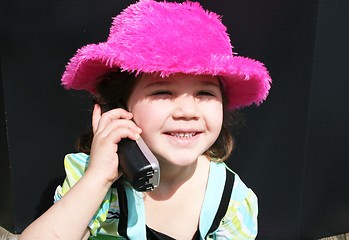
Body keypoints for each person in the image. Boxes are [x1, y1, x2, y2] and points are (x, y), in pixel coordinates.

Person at [20, 0, 271, 239]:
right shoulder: (92, 179)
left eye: (204, 93)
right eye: (163, 92)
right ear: (117, 106)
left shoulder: (231, 198)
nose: (187, 111)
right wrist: (99, 179)